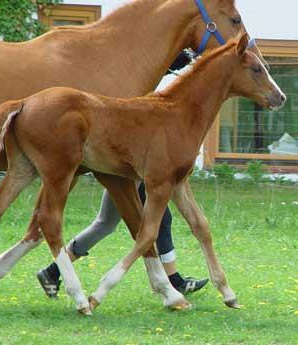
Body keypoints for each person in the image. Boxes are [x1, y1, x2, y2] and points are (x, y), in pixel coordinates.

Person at [37, 51, 209, 298]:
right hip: (133, 162)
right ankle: (174, 280)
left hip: (122, 162)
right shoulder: (138, 79)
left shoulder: (147, 74)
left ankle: (52, 271)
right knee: (162, 219)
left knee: (105, 223)